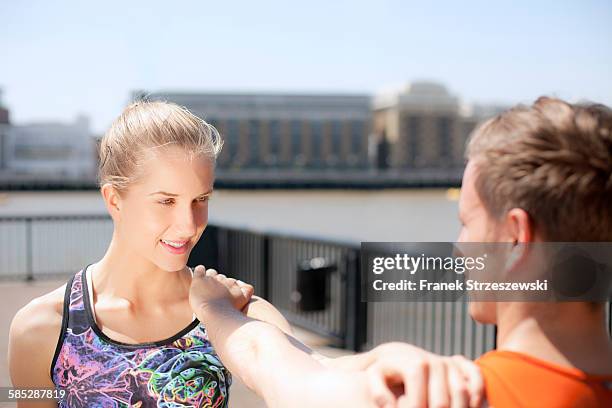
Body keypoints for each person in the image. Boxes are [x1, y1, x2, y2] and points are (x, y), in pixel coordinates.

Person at [8, 100, 483, 408]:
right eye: (166, 201)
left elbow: (317, 374)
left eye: (201, 200)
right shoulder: (40, 327)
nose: (188, 224)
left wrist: (393, 359)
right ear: (114, 200)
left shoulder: (234, 312)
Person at [188, 97, 612, 407]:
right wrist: (386, 357)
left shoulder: (447, 398)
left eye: (467, 221)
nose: (461, 246)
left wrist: (212, 307)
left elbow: (281, 376)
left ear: (515, 238)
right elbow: (314, 365)